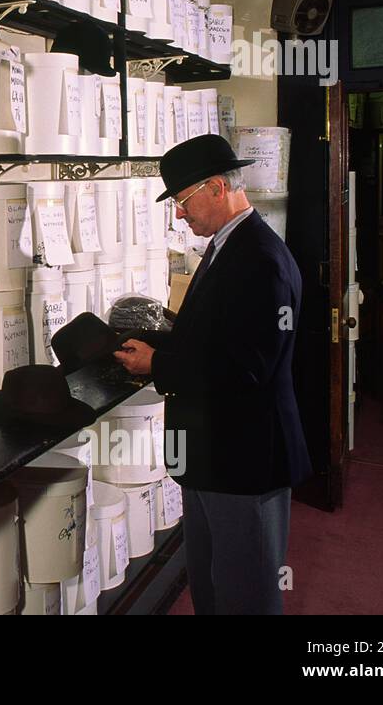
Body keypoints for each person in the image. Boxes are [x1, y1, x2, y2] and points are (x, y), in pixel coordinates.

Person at [113, 135, 312, 615]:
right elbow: (217, 337)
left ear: (217, 187)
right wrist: (158, 342)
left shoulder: (260, 261)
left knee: (245, 593)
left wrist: (157, 364)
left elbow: (246, 369)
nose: (180, 215)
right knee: (212, 584)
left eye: (182, 201)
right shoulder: (229, 247)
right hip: (210, 457)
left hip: (244, 461)